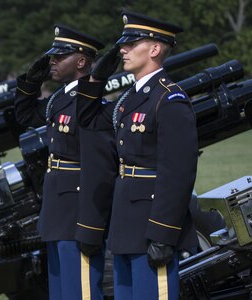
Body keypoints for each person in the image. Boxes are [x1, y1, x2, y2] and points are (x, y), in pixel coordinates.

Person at [77, 11, 199, 299]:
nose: (122, 50)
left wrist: (163, 233)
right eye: (123, 44)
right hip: (125, 223)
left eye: (131, 44)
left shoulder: (169, 99)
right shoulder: (131, 99)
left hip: (151, 225)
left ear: (155, 49)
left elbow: (178, 173)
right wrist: (96, 78)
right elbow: (88, 119)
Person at [14, 24, 111, 299]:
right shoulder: (60, 99)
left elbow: (99, 169)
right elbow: (24, 116)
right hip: (57, 209)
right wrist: (31, 82)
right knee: (61, 291)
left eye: (60, 56)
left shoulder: (88, 104)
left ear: (81, 61)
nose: (52, 61)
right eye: (52, 56)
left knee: (80, 291)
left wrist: (91, 226)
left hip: (78, 213)